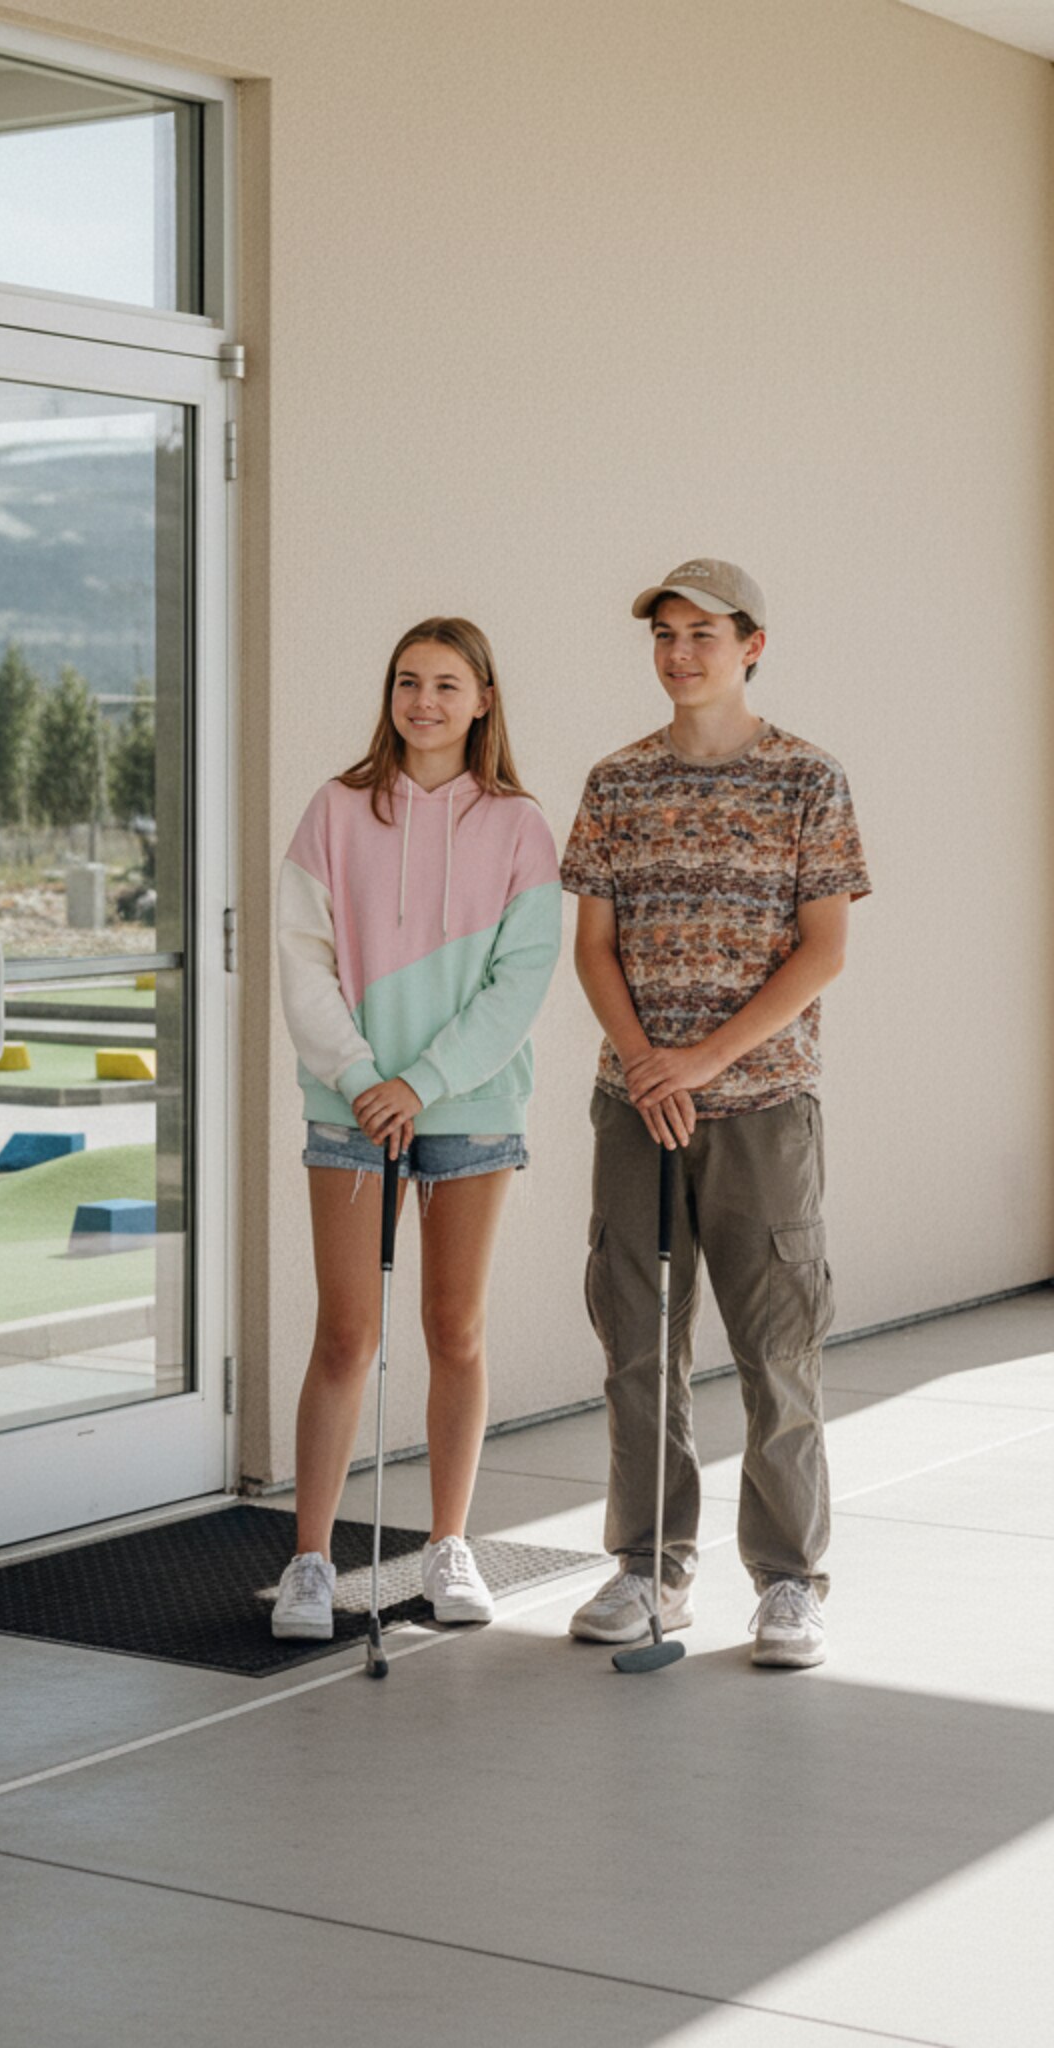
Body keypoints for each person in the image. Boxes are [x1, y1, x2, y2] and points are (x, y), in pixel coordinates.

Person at [560, 559, 869, 1670]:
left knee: (775, 1350)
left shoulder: (806, 779)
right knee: (636, 1345)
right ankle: (649, 1566)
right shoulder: (613, 781)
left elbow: (821, 949)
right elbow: (591, 946)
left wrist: (698, 1060)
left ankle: (787, 1582)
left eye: (702, 632)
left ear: (751, 645)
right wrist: (648, 1064)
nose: (678, 651)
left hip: (763, 1111)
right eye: (663, 633)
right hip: (633, 1110)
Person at [273, 618, 562, 1641]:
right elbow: (302, 961)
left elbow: (518, 981)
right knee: (345, 1333)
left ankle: (446, 1543)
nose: (422, 700)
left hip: (470, 1109)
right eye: (406, 681)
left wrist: (424, 1080)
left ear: (482, 697)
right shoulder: (335, 811)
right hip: (348, 1108)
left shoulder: (520, 826)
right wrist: (363, 1077)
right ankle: (309, 1559)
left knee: (454, 1329)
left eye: (445, 683)